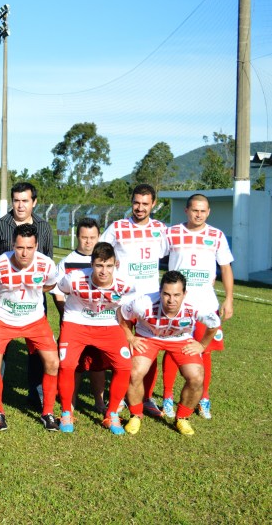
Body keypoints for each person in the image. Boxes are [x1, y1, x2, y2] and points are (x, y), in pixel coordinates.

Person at [118, 271, 221, 436]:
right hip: (148, 337)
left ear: (185, 294)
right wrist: (130, 337)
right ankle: (135, 414)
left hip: (180, 339)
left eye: (176, 295)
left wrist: (202, 345)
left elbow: (214, 323)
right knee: (134, 373)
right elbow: (121, 314)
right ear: (159, 292)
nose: (171, 300)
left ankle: (182, 418)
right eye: (166, 294)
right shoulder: (143, 303)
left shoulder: (195, 305)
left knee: (196, 377)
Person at [0, 182, 53, 408]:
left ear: (34, 202)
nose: (20, 206)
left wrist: (38, 288)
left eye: (25, 201)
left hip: (33, 301)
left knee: (38, 354)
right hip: (3, 303)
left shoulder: (44, 227)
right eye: (17, 201)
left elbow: (47, 263)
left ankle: (37, 393)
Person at [161, 194, 234, 419]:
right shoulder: (172, 233)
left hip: (206, 304)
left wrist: (229, 298)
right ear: (186, 211)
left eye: (203, 211)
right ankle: (167, 398)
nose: (198, 214)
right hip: (177, 304)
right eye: (194, 210)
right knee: (173, 350)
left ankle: (204, 398)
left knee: (205, 350)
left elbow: (226, 268)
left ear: (208, 212)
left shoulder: (216, 235)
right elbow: (152, 256)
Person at [101, 183, 169, 418]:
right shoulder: (117, 227)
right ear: (131, 202)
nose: (140, 208)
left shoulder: (161, 229)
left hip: (151, 300)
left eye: (145, 203)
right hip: (122, 299)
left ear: (153, 204)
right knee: (120, 350)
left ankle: (146, 398)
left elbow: (175, 257)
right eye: (136, 202)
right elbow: (101, 254)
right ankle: (118, 397)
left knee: (150, 351)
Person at [55, 242, 136, 435]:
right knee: (66, 365)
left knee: (124, 365)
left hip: (107, 325)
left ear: (115, 265)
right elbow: (59, 289)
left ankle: (112, 414)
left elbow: (125, 311)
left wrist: (129, 335)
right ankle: (66, 411)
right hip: (76, 322)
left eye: (108, 266)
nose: (103, 271)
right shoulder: (74, 278)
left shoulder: (126, 284)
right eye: (99, 265)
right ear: (91, 264)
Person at [0, 224, 60, 431]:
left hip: (34, 319)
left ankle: (48, 412)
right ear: (13, 245)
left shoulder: (46, 264)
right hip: (3, 318)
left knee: (53, 362)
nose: (24, 253)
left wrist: (31, 292)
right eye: (20, 248)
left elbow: (51, 284)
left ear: (36, 246)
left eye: (29, 248)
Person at [50, 217, 108, 413]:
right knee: (72, 365)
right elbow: (57, 291)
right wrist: (64, 313)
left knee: (98, 365)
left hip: (99, 323)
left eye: (92, 237)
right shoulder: (67, 262)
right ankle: (71, 402)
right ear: (77, 237)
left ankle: (99, 402)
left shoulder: (104, 262)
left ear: (99, 236)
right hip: (74, 323)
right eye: (84, 237)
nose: (88, 242)